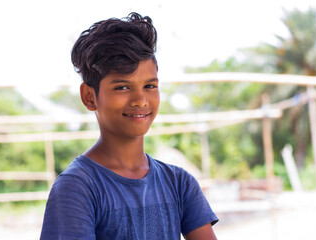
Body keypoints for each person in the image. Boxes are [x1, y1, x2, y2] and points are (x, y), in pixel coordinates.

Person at [40, 12, 218, 240]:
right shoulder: (77, 189)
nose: (140, 100)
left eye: (150, 86)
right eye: (122, 87)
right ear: (89, 97)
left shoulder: (180, 183)